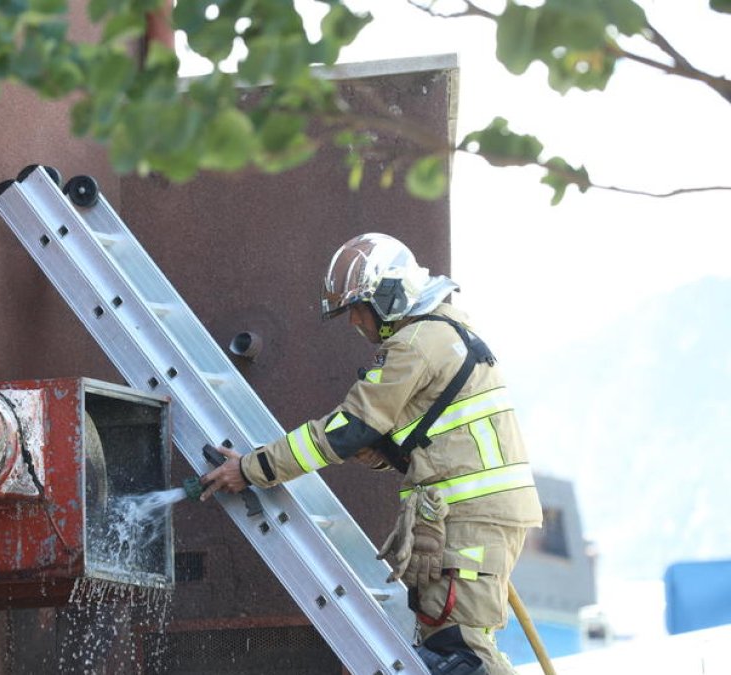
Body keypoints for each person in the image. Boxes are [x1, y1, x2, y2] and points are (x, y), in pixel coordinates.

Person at [200, 232, 542, 675]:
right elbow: (436, 437)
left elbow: (346, 428)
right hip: (477, 516)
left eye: (357, 309)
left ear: (389, 297)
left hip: (467, 519)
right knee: (451, 644)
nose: (354, 323)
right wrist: (380, 449)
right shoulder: (448, 330)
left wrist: (251, 468)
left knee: (459, 656)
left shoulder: (415, 343)